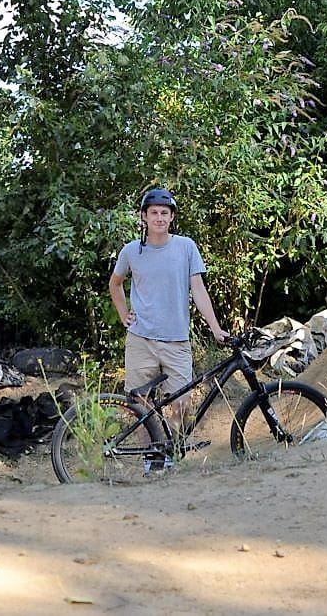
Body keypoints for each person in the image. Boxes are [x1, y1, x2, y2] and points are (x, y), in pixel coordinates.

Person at [108, 188, 229, 465]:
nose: (159, 218)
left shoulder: (186, 247)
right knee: (141, 404)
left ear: (172, 217)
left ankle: (171, 451)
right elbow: (115, 284)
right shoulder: (131, 251)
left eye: (165, 213)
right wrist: (123, 314)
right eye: (154, 213)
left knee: (182, 402)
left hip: (176, 340)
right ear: (144, 217)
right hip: (141, 339)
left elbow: (198, 290)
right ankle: (152, 458)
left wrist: (215, 328)